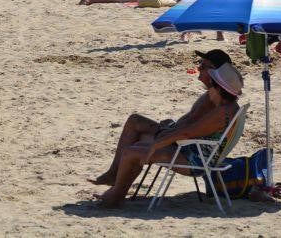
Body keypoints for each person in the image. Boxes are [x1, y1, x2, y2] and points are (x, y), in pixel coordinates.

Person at [91, 55, 243, 208]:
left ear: (218, 86)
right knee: (136, 147)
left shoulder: (221, 113)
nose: (209, 82)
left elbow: (186, 133)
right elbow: (189, 131)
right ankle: (117, 192)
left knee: (132, 152)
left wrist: (155, 146)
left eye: (212, 81)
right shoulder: (227, 108)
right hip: (193, 152)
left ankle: (115, 196)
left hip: (193, 160)